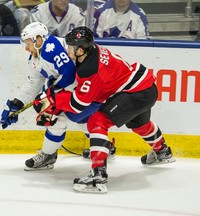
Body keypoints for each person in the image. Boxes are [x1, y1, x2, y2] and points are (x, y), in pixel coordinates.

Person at [33, 26, 175, 193]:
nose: (67, 50)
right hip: (147, 88)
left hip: (135, 92)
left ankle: (98, 175)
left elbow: (78, 104)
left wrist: (52, 100)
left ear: (80, 50)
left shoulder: (90, 68)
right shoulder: (92, 51)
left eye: (71, 47)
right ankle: (162, 150)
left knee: (96, 121)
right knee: (138, 124)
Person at [0, 22, 112, 171]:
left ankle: (49, 155)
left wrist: (50, 94)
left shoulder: (51, 47)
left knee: (58, 118)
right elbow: (34, 81)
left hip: (89, 89)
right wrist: (17, 103)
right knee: (76, 119)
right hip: (79, 90)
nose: (26, 48)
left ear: (38, 40)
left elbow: (70, 75)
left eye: (28, 43)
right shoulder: (36, 58)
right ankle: (105, 146)